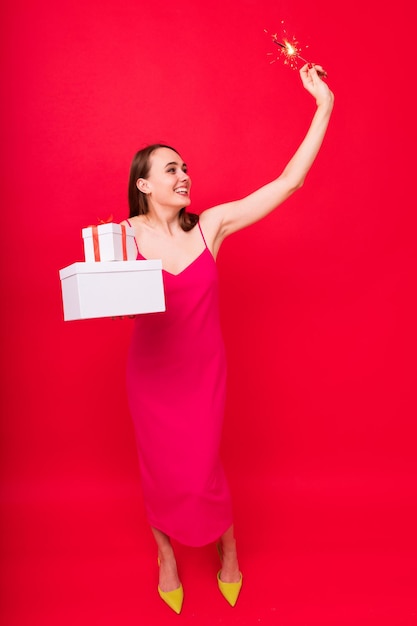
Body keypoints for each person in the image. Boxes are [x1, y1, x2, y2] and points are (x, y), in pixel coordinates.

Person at [122, 63, 334, 614]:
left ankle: (228, 543)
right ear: (144, 184)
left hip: (202, 374)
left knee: (201, 465)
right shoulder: (123, 236)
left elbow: (289, 183)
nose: (183, 175)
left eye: (185, 168)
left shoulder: (210, 226)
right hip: (151, 375)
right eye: (170, 170)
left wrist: (324, 106)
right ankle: (165, 552)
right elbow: (108, 300)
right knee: (159, 465)